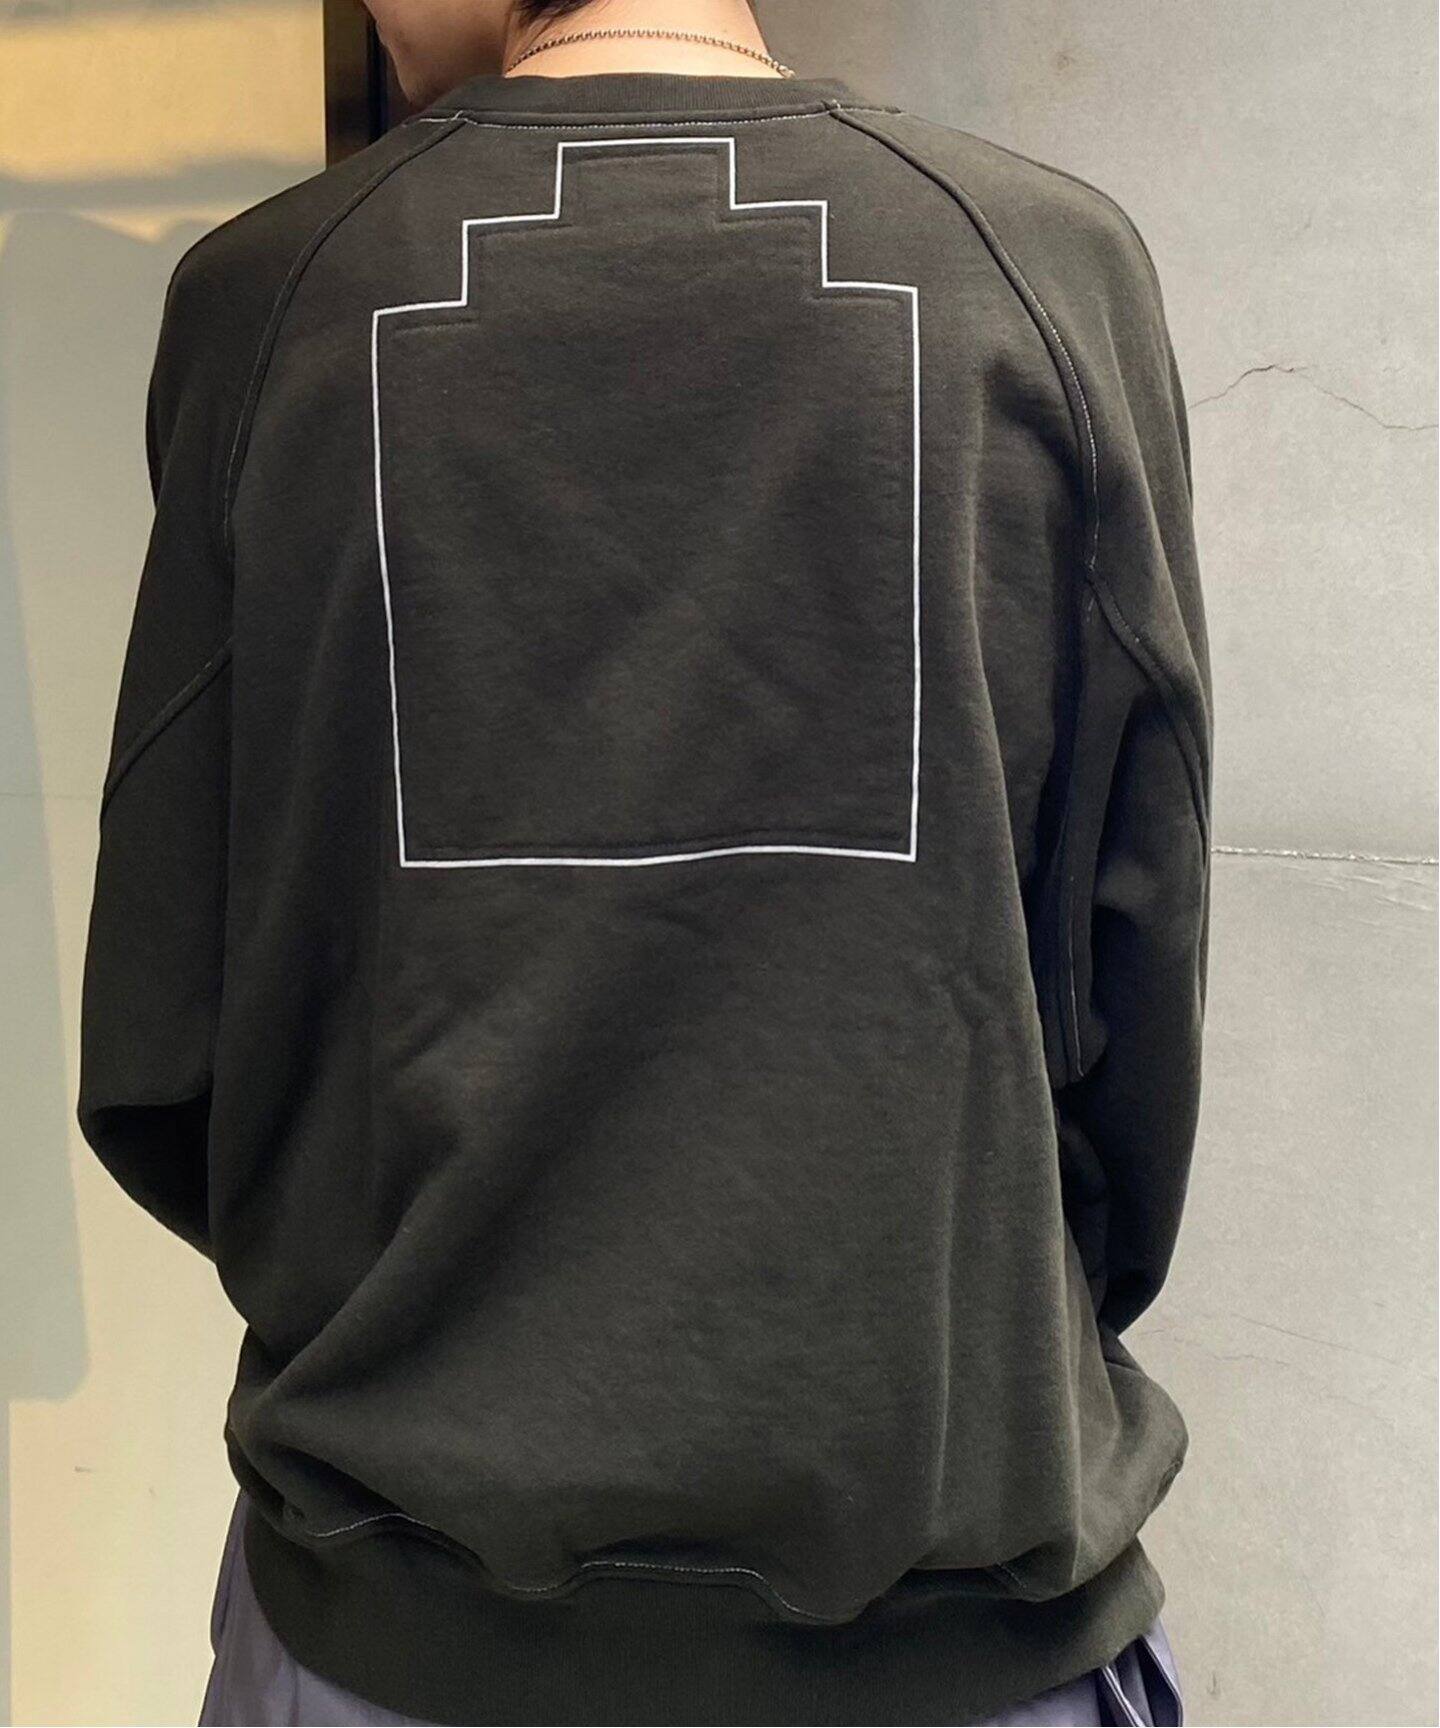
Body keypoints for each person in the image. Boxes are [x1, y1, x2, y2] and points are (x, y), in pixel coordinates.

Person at [75, 0, 1212, 1721]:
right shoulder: (1040, 268)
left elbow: (165, 1040)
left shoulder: (272, 297)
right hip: (962, 1632)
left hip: (397, 1630)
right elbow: (1136, 974)